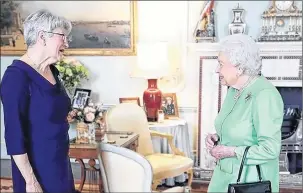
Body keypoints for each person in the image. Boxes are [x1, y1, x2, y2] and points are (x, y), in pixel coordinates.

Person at [0, 10, 76, 193]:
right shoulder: (16, 77)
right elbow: (14, 136)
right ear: (42, 37)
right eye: (62, 37)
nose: (66, 43)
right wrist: (30, 182)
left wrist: (66, 115)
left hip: (60, 163)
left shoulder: (52, 70)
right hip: (36, 170)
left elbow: (53, 108)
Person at [205, 34, 284, 192]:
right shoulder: (234, 90)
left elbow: (270, 149)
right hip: (225, 176)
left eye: (220, 64)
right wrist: (218, 137)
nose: (216, 70)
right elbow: (240, 130)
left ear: (239, 67)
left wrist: (230, 151)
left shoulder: (264, 94)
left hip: (249, 182)